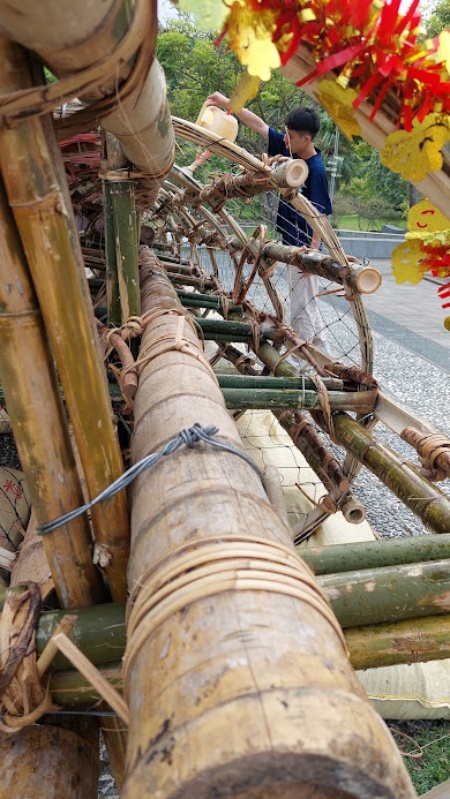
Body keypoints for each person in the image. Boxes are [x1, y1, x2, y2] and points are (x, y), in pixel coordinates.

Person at [206, 92, 332, 351]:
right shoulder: (291, 153)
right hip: (292, 242)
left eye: (290, 135)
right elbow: (260, 125)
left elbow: (321, 213)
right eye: (286, 134)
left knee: (302, 307)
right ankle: (321, 354)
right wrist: (229, 102)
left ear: (305, 139)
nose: (285, 139)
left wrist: (314, 250)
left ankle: (301, 359)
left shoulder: (315, 169)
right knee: (307, 303)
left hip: (302, 247)